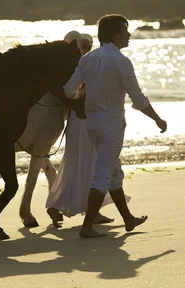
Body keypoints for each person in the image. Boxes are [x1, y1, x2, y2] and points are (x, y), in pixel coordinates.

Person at [63, 14, 167, 238]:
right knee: (102, 174)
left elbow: (69, 90)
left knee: (113, 173)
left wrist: (83, 96)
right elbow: (137, 99)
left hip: (92, 126)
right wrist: (158, 119)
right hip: (112, 127)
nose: (128, 35)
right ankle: (87, 226)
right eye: (125, 31)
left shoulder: (88, 59)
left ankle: (128, 219)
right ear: (114, 35)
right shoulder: (121, 61)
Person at [46, 33, 116, 226]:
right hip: (86, 120)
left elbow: (65, 91)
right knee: (91, 164)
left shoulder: (73, 66)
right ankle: (91, 211)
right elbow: (72, 91)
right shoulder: (81, 65)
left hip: (77, 120)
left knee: (76, 164)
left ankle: (58, 205)